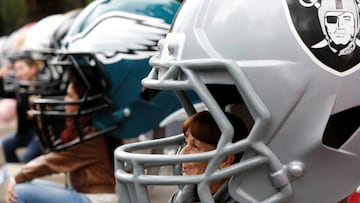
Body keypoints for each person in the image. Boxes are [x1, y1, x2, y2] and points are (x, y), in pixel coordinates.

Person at [5, 71, 119, 203]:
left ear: (83, 102)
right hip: (81, 192)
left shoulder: (92, 136)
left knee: (19, 192)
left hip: (95, 199)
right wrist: (41, 121)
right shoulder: (88, 129)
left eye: (70, 96)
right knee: (23, 185)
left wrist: (16, 177)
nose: (65, 100)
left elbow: (52, 162)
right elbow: (53, 152)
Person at [169, 111, 248, 203]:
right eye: (186, 143)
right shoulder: (179, 196)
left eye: (196, 146)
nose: (182, 153)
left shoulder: (244, 199)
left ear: (225, 159)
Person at [0, 54, 43, 163]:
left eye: (21, 68)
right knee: (6, 144)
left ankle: (21, 174)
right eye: (16, 69)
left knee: (25, 159)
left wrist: (40, 112)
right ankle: (17, 174)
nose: (18, 73)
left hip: (40, 134)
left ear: (33, 68)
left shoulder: (46, 86)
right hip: (25, 132)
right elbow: (5, 93)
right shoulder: (21, 87)